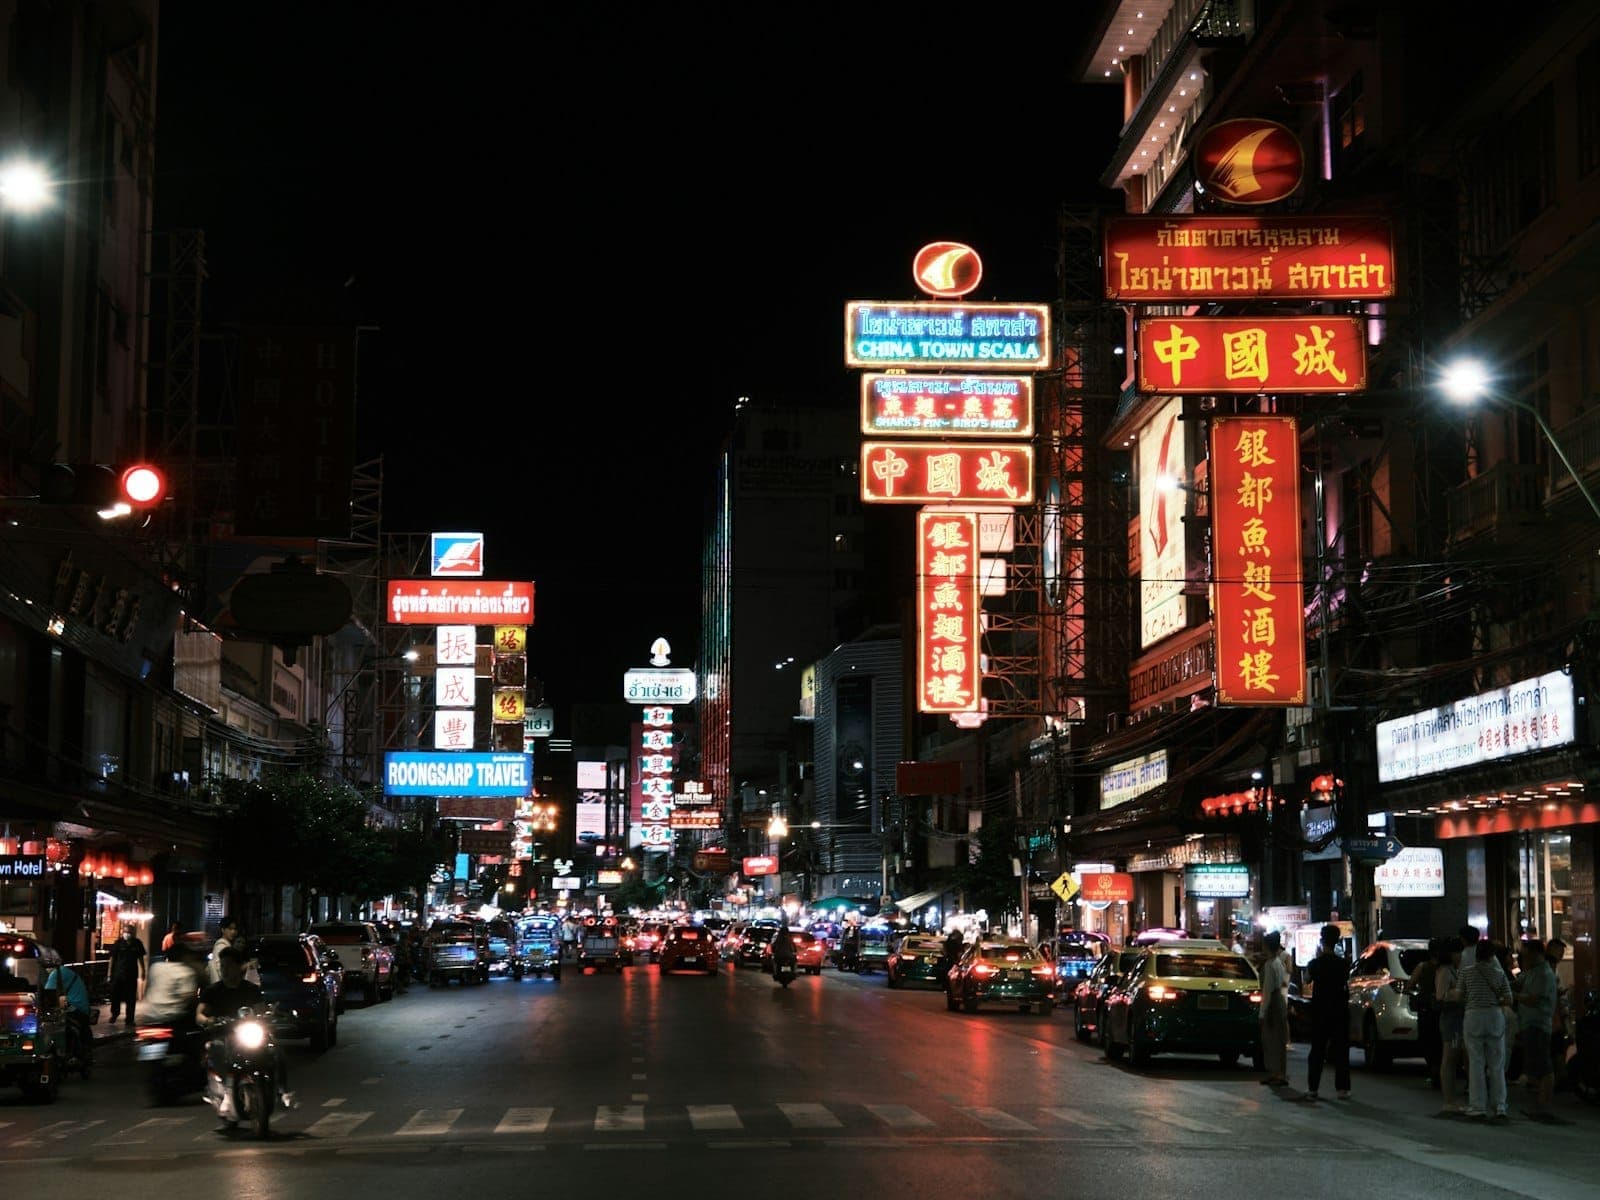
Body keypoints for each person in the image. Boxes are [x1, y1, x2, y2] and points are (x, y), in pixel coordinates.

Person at [198, 947, 293, 1114]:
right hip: (224, 1034)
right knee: (216, 1049)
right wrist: (208, 1020)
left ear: (239, 966)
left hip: (247, 1033)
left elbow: (261, 1011)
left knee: (276, 1050)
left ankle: (282, 1091)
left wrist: (269, 1016)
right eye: (222, 965)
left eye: (229, 965)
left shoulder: (251, 989)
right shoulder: (212, 991)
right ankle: (225, 1094)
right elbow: (199, 1014)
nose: (225, 969)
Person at [1456, 932, 1513, 1123]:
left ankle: (1477, 1106)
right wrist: (1496, 1000)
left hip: (1473, 1016)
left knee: (1476, 1063)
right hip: (1494, 1017)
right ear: (1492, 955)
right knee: (1497, 1064)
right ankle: (1500, 1106)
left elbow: (1459, 995)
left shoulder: (1466, 972)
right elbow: (1509, 999)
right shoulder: (1499, 974)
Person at [1302, 923, 1351, 1101]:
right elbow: (1347, 982)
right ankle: (1342, 1089)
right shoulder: (1343, 964)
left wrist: (1316, 959)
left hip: (1320, 1010)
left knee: (1317, 1050)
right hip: (1339, 1010)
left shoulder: (1315, 963)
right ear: (1337, 941)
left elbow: (1306, 980)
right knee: (1341, 1051)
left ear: (1322, 941)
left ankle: (1313, 1088)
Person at [1514, 938, 1558, 1120]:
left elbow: (1533, 999)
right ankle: (1539, 1103)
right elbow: (1518, 983)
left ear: (1535, 954)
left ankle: (1544, 1105)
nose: (1524, 960)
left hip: (1538, 1024)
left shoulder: (1543, 974)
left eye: (1526, 956)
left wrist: (1515, 996)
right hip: (1530, 1024)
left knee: (1543, 1066)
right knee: (1535, 1065)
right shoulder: (1532, 971)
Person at [44, 957, 93, 1074]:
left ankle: (63, 1054)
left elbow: (47, 996)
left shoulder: (55, 974)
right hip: (82, 1009)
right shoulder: (64, 971)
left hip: (75, 1009)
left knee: (52, 1025)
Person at [1437, 935, 1467, 1115]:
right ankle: (1449, 1100)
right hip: (1451, 1018)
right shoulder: (1445, 971)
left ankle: (1451, 1099)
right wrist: (1458, 994)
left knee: (1452, 1059)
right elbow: (1441, 996)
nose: (1460, 956)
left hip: (1455, 1017)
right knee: (1449, 1059)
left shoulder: (1451, 970)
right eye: (1458, 952)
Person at [142, 940, 204, 1028]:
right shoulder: (186, 972)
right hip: (171, 1018)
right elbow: (188, 997)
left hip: (150, 1015)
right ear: (184, 956)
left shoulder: (156, 967)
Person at [1258, 930, 1291, 1087]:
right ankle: (1279, 1073)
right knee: (1279, 1040)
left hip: (1272, 1003)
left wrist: (1262, 1013)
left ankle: (1276, 1073)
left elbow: (1268, 990)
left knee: (1271, 1039)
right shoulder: (1278, 963)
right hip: (1279, 1000)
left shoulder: (1270, 965)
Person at [1412, 939, 1442, 1087]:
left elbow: (1410, 984)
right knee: (1441, 1041)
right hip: (1442, 1008)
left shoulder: (1422, 966)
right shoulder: (1445, 968)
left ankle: (1434, 1070)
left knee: (1427, 1041)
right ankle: (1440, 1070)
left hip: (1426, 1008)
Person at [107, 922, 147, 1027]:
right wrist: (109, 974)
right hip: (118, 974)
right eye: (125, 932)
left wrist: (143, 971)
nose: (127, 934)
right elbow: (112, 959)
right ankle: (114, 1014)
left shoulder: (137, 943)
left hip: (131, 975)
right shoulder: (118, 943)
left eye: (129, 932)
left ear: (133, 933)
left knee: (131, 998)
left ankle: (130, 1019)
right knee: (115, 996)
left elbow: (140, 958)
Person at [1546, 937, 1572, 1088]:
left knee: (1558, 1047)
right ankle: (1558, 1079)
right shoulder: (1548, 968)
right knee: (1556, 1047)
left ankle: (1559, 1078)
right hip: (1551, 1016)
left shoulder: (1553, 967)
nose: (1562, 954)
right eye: (1560, 951)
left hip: (1554, 1015)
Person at [206, 918, 240, 985]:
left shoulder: (226, 945)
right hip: (221, 985)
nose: (233, 932)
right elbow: (221, 970)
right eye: (230, 929)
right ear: (223, 930)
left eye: (235, 929)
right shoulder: (221, 946)